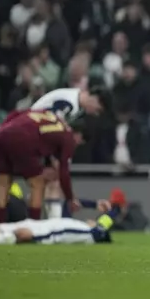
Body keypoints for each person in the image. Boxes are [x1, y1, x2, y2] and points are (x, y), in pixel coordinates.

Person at [30, 85, 112, 219]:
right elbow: (52, 129)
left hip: (36, 136)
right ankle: (53, 224)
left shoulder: (73, 104)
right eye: (97, 110)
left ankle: (46, 219)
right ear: (95, 99)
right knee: (54, 177)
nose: (93, 113)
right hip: (30, 135)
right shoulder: (69, 103)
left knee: (49, 179)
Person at [0, 109, 85, 223]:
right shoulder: (68, 136)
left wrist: (0, 130)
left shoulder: (49, 114)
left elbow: (16, 113)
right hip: (22, 139)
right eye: (80, 142)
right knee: (38, 184)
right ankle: (34, 225)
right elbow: (63, 171)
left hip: (0, 135)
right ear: (78, 135)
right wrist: (70, 198)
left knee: (3, 183)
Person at [0, 208, 119, 245]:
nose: (90, 219)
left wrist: (115, 209)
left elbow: (106, 221)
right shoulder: (81, 226)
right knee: (4, 226)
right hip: (43, 223)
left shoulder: (91, 233)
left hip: (50, 232)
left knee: (23, 233)